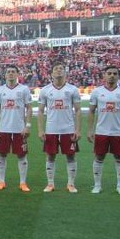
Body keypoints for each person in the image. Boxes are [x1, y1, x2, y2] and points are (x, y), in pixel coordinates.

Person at [87, 65, 120, 195]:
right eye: (109, 73)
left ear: (118, 76)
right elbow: (91, 112)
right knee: (99, 157)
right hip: (101, 131)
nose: (112, 75)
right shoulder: (97, 92)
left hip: (118, 132)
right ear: (104, 75)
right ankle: (97, 185)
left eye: (115, 73)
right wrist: (90, 130)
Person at [38, 62, 81, 193]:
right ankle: (50, 184)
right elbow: (40, 111)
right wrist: (40, 130)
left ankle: (71, 184)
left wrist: (78, 130)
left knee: (71, 156)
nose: (58, 70)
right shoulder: (45, 90)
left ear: (65, 72)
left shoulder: (72, 89)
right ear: (51, 73)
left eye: (61, 68)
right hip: (51, 129)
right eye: (56, 68)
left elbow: (78, 110)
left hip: (68, 129)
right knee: (50, 156)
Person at [0, 65, 33, 192]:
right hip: (4, 128)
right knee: (2, 155)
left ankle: (23, 183)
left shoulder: (24, 89)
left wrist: (28, 126)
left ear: (17, 74)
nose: (10, 74)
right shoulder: (0, 90)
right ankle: (2, 181)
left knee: (21, 155)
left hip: (19, 129)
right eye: (8, 72)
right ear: (5, 75)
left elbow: (29, 108)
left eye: (13, 72)